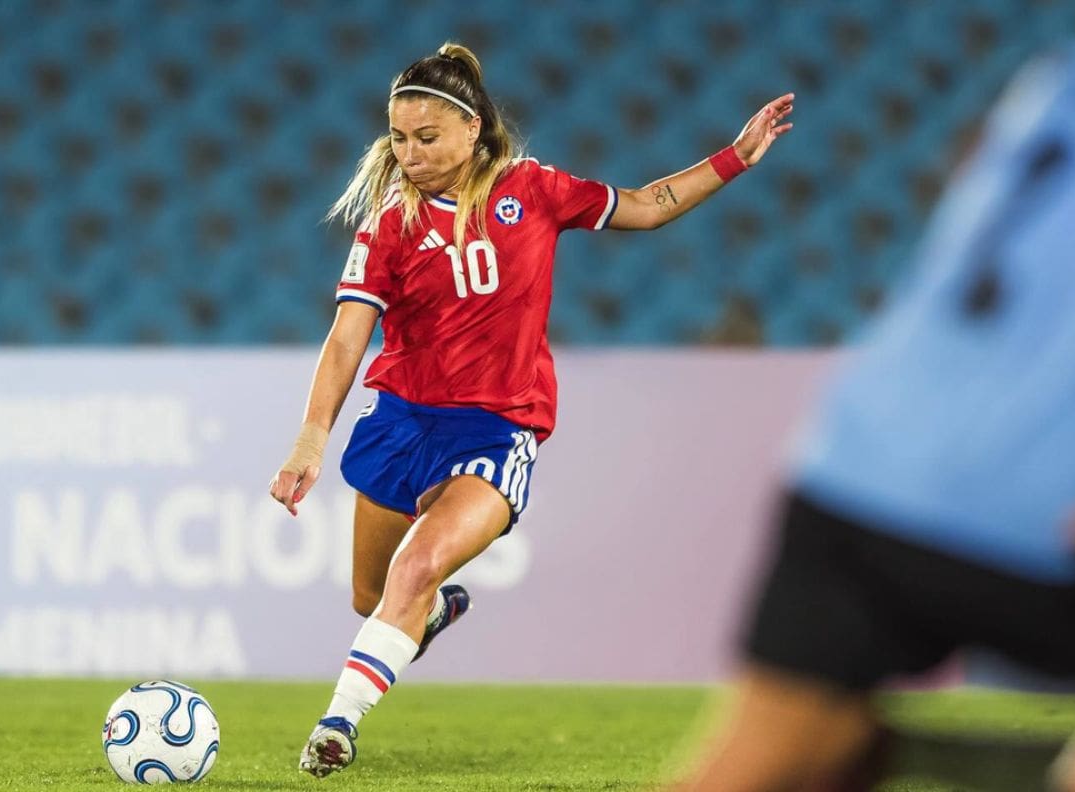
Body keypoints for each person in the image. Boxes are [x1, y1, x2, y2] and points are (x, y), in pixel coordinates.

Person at [663, 1, 1075, 790]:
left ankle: (861, 753)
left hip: (853, 466)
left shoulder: (1060, 84)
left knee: (774, 750)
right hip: (1024, 502)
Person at [268, 41, 795, 778]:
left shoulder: (533, 190)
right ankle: (434, 611)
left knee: (415, 566)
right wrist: (309, 438)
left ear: (475, 129)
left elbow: (643, 208)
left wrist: (735, 157)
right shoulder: (388, 226)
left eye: (427, 138)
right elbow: (347, 337)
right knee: (373, 597)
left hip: (496, 427)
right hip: (402, 422)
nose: (410, 154)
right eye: (398, 139)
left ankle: (336, 725)